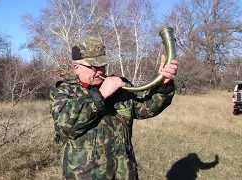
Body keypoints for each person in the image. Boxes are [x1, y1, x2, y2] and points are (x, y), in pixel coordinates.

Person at [49, 37, 178, 180]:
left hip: (124, 173)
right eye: (93, 67)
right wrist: (101, 94)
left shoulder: (120, 87)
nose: (100, 71)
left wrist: (163, 85)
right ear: (77, 68)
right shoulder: (64, 91)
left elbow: (146, 108)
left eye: (102, 65)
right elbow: (66, 126)